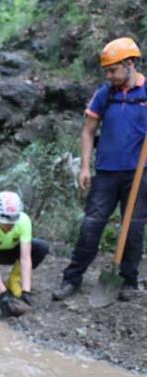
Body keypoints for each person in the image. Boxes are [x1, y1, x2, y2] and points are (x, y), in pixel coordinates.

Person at [53, 37, 147, 302]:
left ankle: (128, 280)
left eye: (113, 69)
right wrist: (84, 166)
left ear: (130, 64)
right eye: (106, 70)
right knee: (91, 226)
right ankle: (72, 279)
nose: (109, 75)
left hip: (139, 174)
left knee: (134, 229)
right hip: (106, 172)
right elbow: (88, 131)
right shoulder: (105, 93)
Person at [0, 191, 49, 317]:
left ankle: (14, 280)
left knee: (41, 247)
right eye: (5, 223)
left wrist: (26, 291)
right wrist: (2, 294)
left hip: (12, 250)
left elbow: (26, 258)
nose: (8, 226)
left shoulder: (24, 221)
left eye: (11, 223)